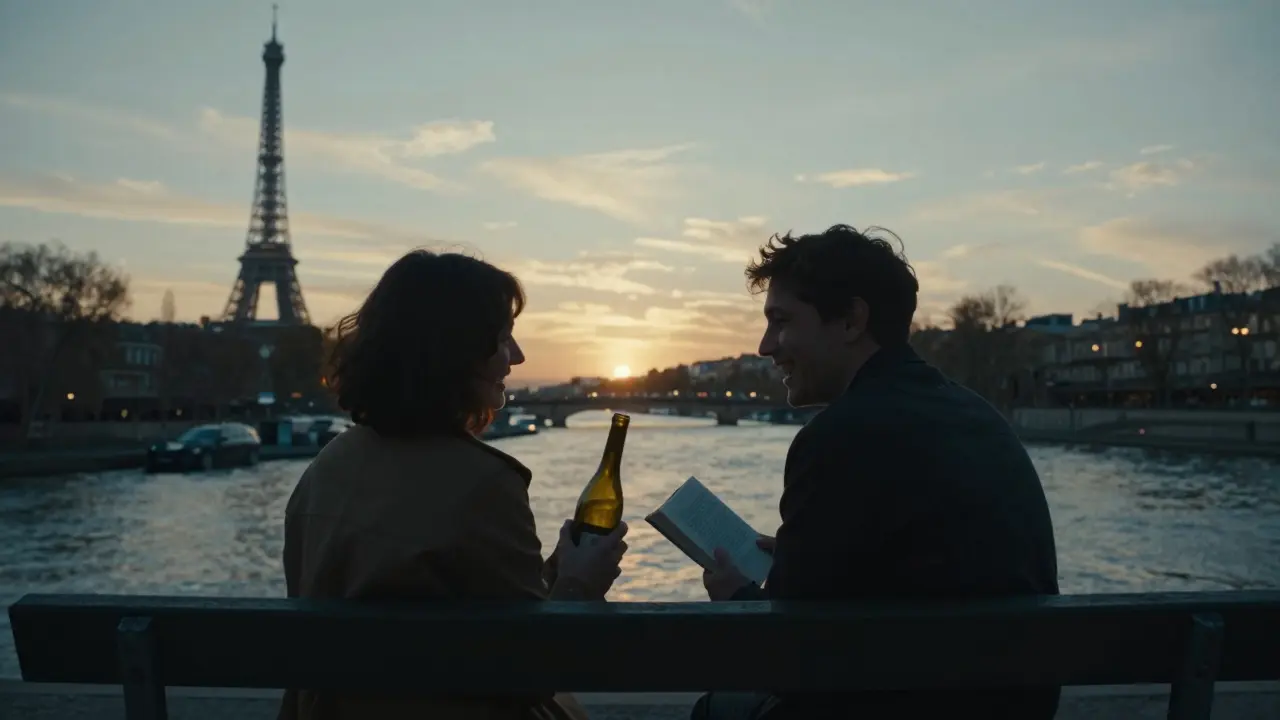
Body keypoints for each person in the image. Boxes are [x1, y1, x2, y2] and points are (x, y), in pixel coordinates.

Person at [693, 225, 1061, 720]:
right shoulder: (977, 415)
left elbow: (780, 652)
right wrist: (813, 550)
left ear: (850, 320)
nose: (765, 345)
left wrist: (735, 596)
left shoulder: (836, 437)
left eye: (780, 322)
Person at [277, 250, 628, 720]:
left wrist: (551, 576)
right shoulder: (484, 486)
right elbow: (535, 670)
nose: (518, 358)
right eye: (504, 340)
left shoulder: (327, 467)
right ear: (457, 355)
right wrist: (580, 585)